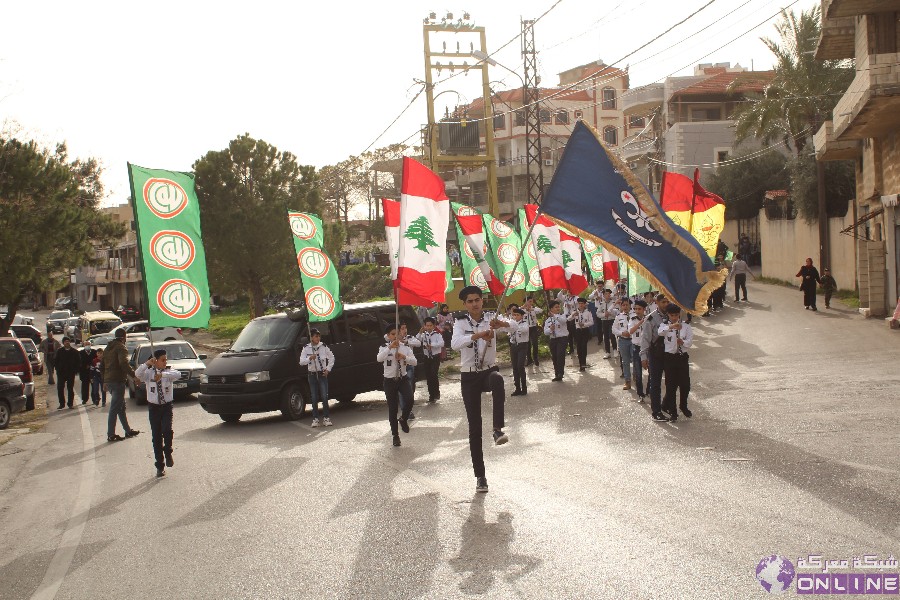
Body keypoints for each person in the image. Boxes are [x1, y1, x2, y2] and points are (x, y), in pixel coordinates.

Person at [450, 285, 510, 493]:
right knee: (474, 428)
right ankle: (480, 476)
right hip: (469, 376)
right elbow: (455, 344)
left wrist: (503, 324)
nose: (475, 304)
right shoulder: (459, 322)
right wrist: (477, 335)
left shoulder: (492, 317)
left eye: (478, 300)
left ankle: (497, 430)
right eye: (470, 301)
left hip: (488, 371)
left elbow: (517, 327)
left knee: (498, 380)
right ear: (465, 304)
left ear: (482, 301)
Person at [134, 349, 180, 477]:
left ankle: (168, 452)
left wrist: (163, 375)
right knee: (156, 436)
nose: (165, 362)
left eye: (166, 360)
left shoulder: (168, 372)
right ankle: (160, 465)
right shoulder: (148, 373)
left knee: (167, 430)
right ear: (156, 361)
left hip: (166, 407)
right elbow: (137, 374)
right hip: (154, 408)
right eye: (162, 360)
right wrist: (147, 364)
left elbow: (178, 374)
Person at [377, 323, 417, 447]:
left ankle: (403, 419)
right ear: (388, 336)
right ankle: (395, 435)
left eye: (397, 334)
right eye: (392, 334)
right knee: (393, 408)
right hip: (389, 380)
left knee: (409, 399)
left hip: (402, 378)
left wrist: (404, 357)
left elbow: (414, 361)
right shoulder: (384, 347)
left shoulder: (405, 347)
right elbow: (379, 359)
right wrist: (390, 348)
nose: (395, 336)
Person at [102, 329, 140, 442]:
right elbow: (123, 363)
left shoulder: (108, 348)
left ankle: (127, 430)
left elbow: (102, 365)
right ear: (124, 337)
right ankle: (111, 434)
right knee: (115, 408)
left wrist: (104, 380)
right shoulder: (121, 347)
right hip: (117, 380)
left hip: (109, 380)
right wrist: (134, 375)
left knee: (121, 407)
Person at [659, 304, 693, 421]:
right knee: (671, 386)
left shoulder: (686, 326)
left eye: (676, 315)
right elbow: (660, 332)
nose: (674, 317)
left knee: (685, 385)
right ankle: (673, 411)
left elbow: (690, 341)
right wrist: (671, 326)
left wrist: (682, 342)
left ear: (679, 314)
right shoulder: (665, 325)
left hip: (682, 357)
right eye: (672, 315)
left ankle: (683, 406)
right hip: (670, 358)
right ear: (668, 315)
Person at [640, 294, 671, 422]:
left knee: (671, 382)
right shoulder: (651, 318)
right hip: (656, 353)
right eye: (663, 302)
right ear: (657, 302)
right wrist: (643, 357)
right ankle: (656, 411)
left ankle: (665, 404)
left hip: (670, 353)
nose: (666, 304)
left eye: (667, 301)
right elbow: (645, 339)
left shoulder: (672, 315)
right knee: (655, 383)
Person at [298, 328, 335, 427]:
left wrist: (328, 369)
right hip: (312, 374)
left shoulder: (323, 346)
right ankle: (315, 419)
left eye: (319, 336)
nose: (318, 338)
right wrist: (309, 358)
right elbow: (301, 362)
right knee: (314, 397)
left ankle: (326, 418)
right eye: (316, 336)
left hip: (322, 374)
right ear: (311, 337)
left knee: (324, 396)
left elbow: (332, 357)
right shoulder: (306, 348)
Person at [415, 317, 444, 402]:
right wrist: (420, 332)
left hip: (435, 357)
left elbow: (442, 343)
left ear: (434, 326)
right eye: (427, 326)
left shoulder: (437, 334)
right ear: (424, 326)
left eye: (430, 325)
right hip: (427, 357)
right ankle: (431, 396)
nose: (428, 327)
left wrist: (432, 345)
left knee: (433, 374)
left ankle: (436, 393)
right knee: (428, 376)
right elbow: (416, 341)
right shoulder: (423, 335)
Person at [612, 298, 636, 390]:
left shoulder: (635, 315)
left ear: (630, 305)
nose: (625, 307)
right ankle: (627, 381)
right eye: (623, 305)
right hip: (623, 340)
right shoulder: (619, 317)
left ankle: (636, 376)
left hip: (633, 340)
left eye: (627, 305)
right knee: (625, 362)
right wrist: (622, 333)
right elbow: (614, 329)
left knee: (635, 360)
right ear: (621, 306)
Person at [397, 322, 419, 420]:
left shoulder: (409, 338)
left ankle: (408, 407)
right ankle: (406, 411)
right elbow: (386, 336)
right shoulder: (395, 341)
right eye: (402, 328)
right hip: (400, 367)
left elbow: (418, 343)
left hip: (410, 365)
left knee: (410, 388)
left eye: (405, 328)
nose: (404, 330)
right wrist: (397, 338)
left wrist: (406, 342)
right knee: (402, 390)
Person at [506, 308, 530, 396]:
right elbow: (508, 333)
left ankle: (524, 387)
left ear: (522, 316)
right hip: (514, 346)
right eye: (514, 315)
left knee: (520, 366)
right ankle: (517, 388)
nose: (515, 317)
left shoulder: (524, 323)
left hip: (522, 345)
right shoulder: (511, 324)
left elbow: (524, 330)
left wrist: (514, 326)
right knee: (515, 367)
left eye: (517, 315)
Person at [543, 300, 568, 382]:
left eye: (558, 307)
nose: (558, 308)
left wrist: (554, 315)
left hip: (562, 339)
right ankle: (557, 373)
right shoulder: (548, 321)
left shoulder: (562, 316)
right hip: (553, 339)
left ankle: (561, 373)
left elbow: (563, 321)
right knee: (554, 357)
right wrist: (550, 329)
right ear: (551, 309)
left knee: (560, 355)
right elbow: (545, 332)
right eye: (556, 307)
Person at [568, 297, 594, 371]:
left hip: (585, 331)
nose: (580, 305)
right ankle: (580, 364)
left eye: (582, 303)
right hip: (578, 331)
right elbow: (568, 319)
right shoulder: (575, 311)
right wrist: (573, 315)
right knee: (579, 347)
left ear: (585, 304)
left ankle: (584, 363)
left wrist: (584, 324)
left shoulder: (588, 312)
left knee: (583, 346)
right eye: (579, 303)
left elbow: (592, 322)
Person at [630, 300, 649, 401]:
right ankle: (640, 394)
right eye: (635, 308)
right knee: (638, 372)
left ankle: (649, 391)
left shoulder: (649, 319)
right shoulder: (632, 319)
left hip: (647, 348)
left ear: (644, 309)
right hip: (636, 347)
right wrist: (640, 323)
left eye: (639, 309)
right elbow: (630, 331)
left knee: (651, 371)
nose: (637, 311)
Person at [54, 337, 80, 409]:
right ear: (63, 343)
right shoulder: (59, 351)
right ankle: (62, 404)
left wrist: (76, 370)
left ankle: (70, 404)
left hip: (70, 373)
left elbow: (78, 362)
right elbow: (56, 361)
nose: (67, 343)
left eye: (68, 341)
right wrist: (57, 369)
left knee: (70, 388)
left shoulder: (74, 352)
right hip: (61, 373)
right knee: (60, 388)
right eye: (65, 341)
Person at [596, 289, 618, 358]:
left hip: (612, 320)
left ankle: (615, 349)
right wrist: (604, 315)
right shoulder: (601, 304)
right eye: (605, 294)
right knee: (605, 336)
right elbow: (598, 313)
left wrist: (610, 313)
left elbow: (617, 312)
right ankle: (607, 352)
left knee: (612, 335)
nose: (607, 295)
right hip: (604, 321)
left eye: (608, 293)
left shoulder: (614, 303)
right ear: (603, 295)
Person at [522, 296, 543, 366]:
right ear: (526, 302)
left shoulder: (533, 309)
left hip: (533, 327)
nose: (531, 303)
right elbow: (516, 312)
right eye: (529, 301)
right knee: (527, 344)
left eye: (532, 301)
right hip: (526, 328)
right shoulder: (522, 310)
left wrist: (532, 309)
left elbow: (541, 310)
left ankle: (536, 358)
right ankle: (529, 359)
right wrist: (523, 308)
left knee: (535, 343)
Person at [78, 340, 96, 405]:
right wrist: (85, 366)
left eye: (89, 344)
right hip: (84, 372)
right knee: (85, 387)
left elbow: (96, 361)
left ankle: (95, 399)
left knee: (94, 386)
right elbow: (79, 363)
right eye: (86, 344)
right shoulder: (80, 353)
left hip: (93, 372)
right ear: (84, 346)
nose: (87, 346)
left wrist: (91, 365)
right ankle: (84, 399)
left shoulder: (94, 352)